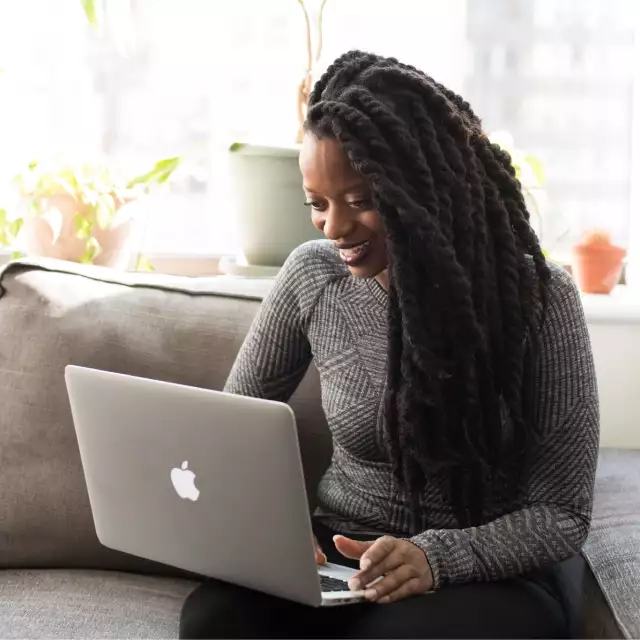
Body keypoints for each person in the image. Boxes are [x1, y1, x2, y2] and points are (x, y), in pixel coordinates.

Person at [179, 50, 598, 639]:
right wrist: (269, 525)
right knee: (213, 621)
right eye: (317, 204)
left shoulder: (540, 299)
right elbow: (228, 430)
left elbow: (561, 514)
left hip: (487, 572)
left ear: (423, 188)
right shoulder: (312, 278)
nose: (334, 227)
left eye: (360, 201)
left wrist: (434, 559)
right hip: (342, 551)